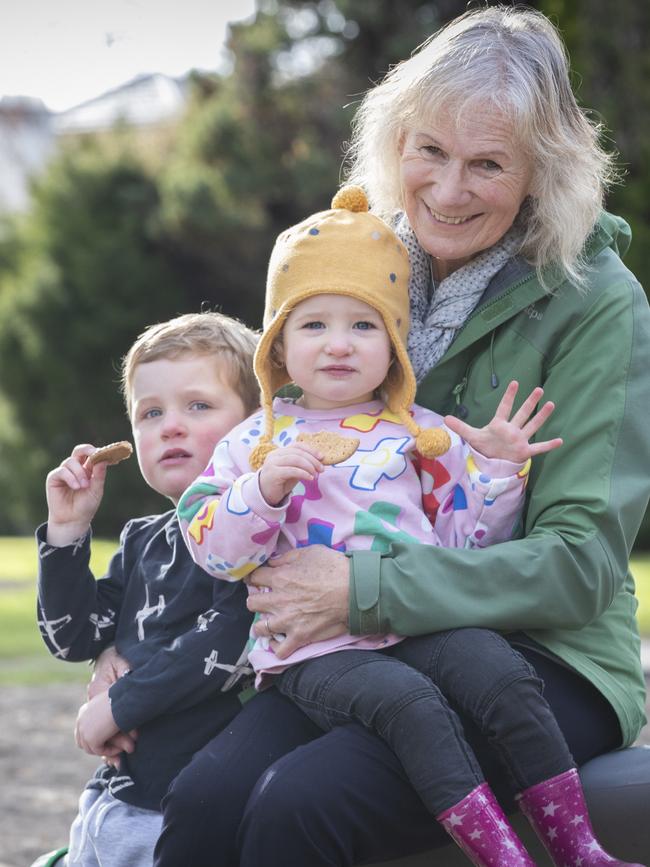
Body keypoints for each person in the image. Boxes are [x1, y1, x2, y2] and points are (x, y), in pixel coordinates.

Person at [153, 7, 650, 867]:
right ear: (393, 144)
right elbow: (242, 461)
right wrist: (134, 646)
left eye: (488, 164)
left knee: (301, 806)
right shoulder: (355, 263)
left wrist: (364, 588)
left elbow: (579, 566)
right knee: (201, 804)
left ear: (541, 174)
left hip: (540, 656)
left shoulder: (597, 300)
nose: (450, 191)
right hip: (344, 638)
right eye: (431, 152)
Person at [34, 312, 261, 867]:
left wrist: (118, 705)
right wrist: (66, 533)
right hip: (111, 796)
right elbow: (71, 639)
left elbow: (231, 640)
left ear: (258, 423)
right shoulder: (143, 541)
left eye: (198, 406)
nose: (170, 426)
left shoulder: (258, 535)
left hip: (187, 815)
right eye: (151, 412)